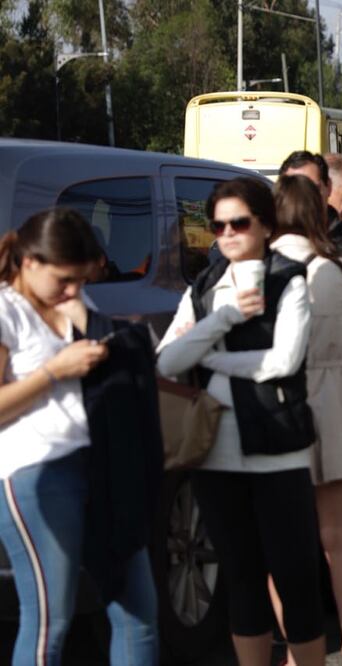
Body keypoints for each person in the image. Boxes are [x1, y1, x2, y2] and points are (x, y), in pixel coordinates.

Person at [157, 178, 326, 666]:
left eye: (239, 222)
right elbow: (166, 362)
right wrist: (223, 320)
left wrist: (212, 360)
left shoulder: (288, 278)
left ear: (265, 225)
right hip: (216, 452)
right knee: (242, 577)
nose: (227, 233)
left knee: (295, 578)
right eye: (218, 225)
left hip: (279, 445)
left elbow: (284, 362)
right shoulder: (206, 286)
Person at [0, 209, 160, 665]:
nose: (73, 291)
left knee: (138, 613)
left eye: (82, 281)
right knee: (50, 618)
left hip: (103, 465)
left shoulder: (75, 304)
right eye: (64, 280)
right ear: (30, 262)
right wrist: (53, 371)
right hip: (36, 473)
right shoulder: (6, 309)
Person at [269, 175, 342, 666]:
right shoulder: (338, 267)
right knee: (340, 536)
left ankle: (298, 654)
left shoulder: (261, 269)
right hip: (337, 395)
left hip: (281, 401)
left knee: (284, 541)